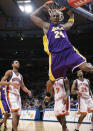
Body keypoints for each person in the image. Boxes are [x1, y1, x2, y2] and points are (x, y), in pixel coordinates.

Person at [31, 4, 93, 82]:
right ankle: (49, 94)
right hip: (56, 55)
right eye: (53, 16)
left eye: (57, 16)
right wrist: (41, 7)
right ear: (50, 18)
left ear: (59, 18)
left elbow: (70, 23)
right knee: (53, 80)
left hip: (68, 51)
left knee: (86, 67)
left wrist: (72, 15)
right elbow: (32, 16)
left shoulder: (62, 27)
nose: (55, 17)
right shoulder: (46, 26)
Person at [1, 60, 31, 131]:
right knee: (14, 113)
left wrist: (28, 91)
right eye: (16, 62)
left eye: (18, 63)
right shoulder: (9, 72)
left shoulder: (20, 76)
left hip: (18, 96)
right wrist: (9, 83)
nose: (18, 63)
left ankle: (13, 129)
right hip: (10, 94)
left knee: (18, 116)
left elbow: (23, 86)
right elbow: (1, 82)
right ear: (12, 65)